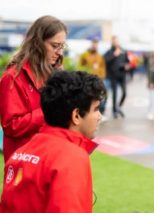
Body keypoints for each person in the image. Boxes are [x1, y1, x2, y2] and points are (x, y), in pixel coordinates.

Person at [0, 71, 106, 212]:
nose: (100, 116)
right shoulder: (72, 158)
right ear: (76, 115)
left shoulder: (21, 152)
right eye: (96, 109)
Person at [0, 15, 67, 162]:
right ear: (37, 43)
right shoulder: (12, 77)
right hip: (24, 166)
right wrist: (49, 109)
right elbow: (11, 126)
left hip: (50, 158)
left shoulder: (55, 73)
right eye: (55, 46)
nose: (59, 52)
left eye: (62, 46)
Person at [79, 39, 108, 122]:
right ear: (91, 45)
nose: (95, 46)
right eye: (93, 44)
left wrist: (102, 76)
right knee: (90, 98)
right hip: (88, 80)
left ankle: (100, 113)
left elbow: (102, 67)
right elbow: (80, 65)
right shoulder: (85, 55)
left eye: (96, 44)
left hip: (98, 79)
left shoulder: (99, 56)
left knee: (100, 97)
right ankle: (89, 115)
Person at [104, 36, 130, 119]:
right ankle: (114, 111)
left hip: (122, 75)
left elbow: (127, 61)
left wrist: (126, 66)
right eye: (114, 41)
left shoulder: (123, 51)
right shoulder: (109, 51)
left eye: (117, 41)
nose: (116, 42)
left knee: (124, 93)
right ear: (112, 42)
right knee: (114, 94)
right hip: (113, 76)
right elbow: (106, 61)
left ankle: (118, 107)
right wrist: (114, 55)